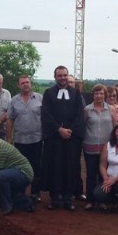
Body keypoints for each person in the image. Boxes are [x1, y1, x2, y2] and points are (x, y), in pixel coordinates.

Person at [41, 65, 84, 211]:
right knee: (55, 167)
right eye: (60, 75)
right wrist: (59, 129)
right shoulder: (49, 93)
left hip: (71, 138)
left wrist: (69, 130)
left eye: (65, 75)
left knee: (70, 167)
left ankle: (67, 198)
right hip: (54, 138)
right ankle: (54, 198)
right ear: (55, 77)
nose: (63, 78)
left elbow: (79, 114)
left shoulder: (75, 93)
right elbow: (46, 114)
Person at [7, 75, 43, 202]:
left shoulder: (40, 98)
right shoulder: (14, 101)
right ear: (18, 85)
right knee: (20, 168)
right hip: (20, 140)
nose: (25, 84)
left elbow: (45, 118)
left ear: (31, 84)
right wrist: (9, 138)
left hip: (37, 139)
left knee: (36, 167)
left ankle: (35, 193)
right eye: (22, 83)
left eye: (27, 82)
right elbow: (10, 120)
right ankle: (20, 192)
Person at [82, 84, 115, 210]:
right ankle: (90, 200)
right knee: (90, 174)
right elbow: (83, 126)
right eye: (96, 93)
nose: (99, 96)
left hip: (106, 148)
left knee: (104, 174)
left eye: (101, 93)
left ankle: (102, 200)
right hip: (90, 146)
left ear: (105, 95)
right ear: (93, 95)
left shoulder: (111, 109)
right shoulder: (87, 110)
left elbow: (115, 126)